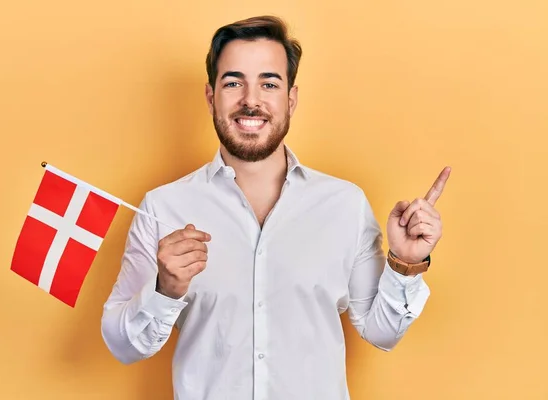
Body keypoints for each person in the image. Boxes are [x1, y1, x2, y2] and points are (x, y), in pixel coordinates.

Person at [101, 15, 451, 400]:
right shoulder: (163, 207)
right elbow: (122, 345)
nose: (251, 100)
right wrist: (163, 290)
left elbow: (382, 332)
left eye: (269, 83)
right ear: (210, 96)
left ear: (291, 99)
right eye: (233, 82)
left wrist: (405, 264)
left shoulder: (344, 205)